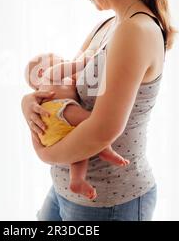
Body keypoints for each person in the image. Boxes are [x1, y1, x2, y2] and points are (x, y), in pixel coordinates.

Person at [21, 0, 178, 221]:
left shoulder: (135, 31)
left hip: (109, 200)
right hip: (66, 189)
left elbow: (103, 129)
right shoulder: (109, 26)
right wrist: (29, 103)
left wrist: (43, 153)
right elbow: (69, 88)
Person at [24, 52, 129, 200]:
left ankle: (77, 180)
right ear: (41, 72)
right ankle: (106, 150)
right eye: (59, 59)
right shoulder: (49, 76)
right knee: (94, 122)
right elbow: (61, 70)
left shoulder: (60, 85)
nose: (65, 61)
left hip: (49, 130)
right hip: (57, 110)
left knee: (78, 151)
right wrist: (80, 64)